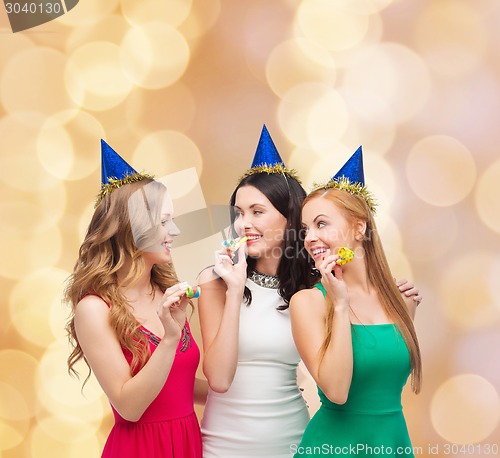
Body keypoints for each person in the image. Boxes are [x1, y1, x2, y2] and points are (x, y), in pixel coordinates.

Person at [198, 127, 422, 457]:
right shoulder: (219, 280)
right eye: (238, 214)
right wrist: (235, 289)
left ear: (288, 219)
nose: (243, 224)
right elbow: (218, 378)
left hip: (294, 435)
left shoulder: (311, 285)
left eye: (257, 212)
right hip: (227, 442)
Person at [65, 140, 205, 458]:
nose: (177, 230)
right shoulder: (95, 309)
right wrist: (170, 338)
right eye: (165, 220)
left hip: (187, 444)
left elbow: (178, 386)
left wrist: (253, 392)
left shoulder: (165, 292)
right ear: (133, 227)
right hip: (140, 449)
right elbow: (129, 406)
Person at [290, 147, 421, 457]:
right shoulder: (308, 302)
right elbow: (336, 392)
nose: (309, 238)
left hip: (392, 444)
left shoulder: (401, 301)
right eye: (305, 229)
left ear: (359, 227)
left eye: (321, 224)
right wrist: (339, 305)